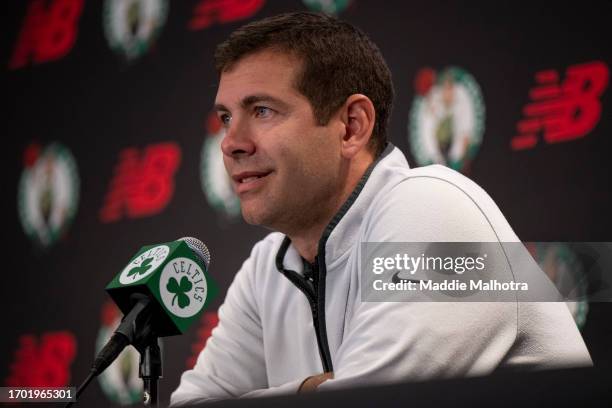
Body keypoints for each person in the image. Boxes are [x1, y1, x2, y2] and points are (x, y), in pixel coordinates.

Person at [170, 12, 592, 406]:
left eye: (262, 111)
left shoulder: (432, 209)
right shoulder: (268, 265)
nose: (231, 143)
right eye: (226, 118)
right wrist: (306, 388)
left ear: (352, 126)